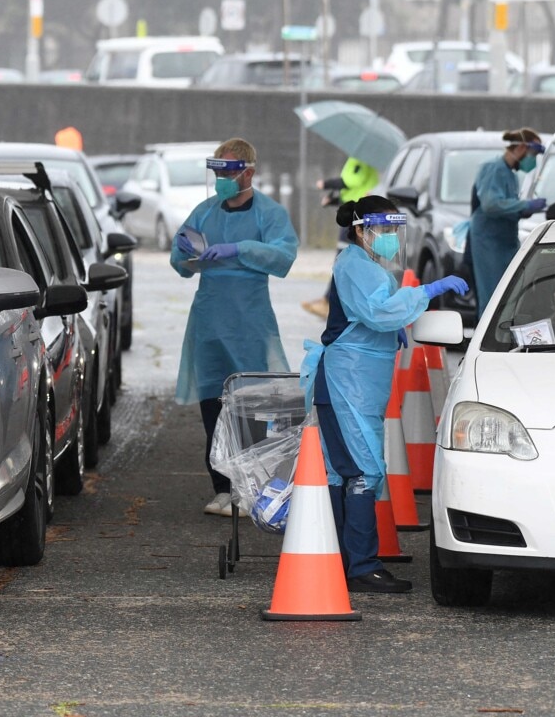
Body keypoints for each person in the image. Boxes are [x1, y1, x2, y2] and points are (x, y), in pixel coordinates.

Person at [301, 195, 469, 593]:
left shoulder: (367, 265)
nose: (391, 237)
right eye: (384, 230)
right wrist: (427, 290)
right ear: (360, 230)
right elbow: (377, 312)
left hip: (355, 385)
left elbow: (375, 314)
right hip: (346, 383)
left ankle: (344, 560)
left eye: (396, 230)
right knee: (363, 472)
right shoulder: (355, 264)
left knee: (348, 472)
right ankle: (360, 566)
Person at [170, 138, 298, 517]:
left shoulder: (269, 214)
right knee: (213, 404)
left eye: (229, 172)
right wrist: (186, 252)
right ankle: (222, 488)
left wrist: (239, 248)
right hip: (209, 319)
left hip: (249, 321)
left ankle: (251, 487)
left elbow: (284, 255)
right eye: (217, 172)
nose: (222, 179)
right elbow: (179, 259)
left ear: (248, 172)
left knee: (252, 405)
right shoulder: (205, 211)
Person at [469, 128, 547, 320]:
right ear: (522, 147)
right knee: (492, 296)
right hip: (489, 242)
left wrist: (522, 210)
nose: (533, 160)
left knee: (508, 295)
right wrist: (525, 204)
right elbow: (491, 204)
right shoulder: (493, 168)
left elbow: (506, 206)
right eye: (533, 154)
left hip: (505, 241)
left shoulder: (510, 174)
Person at [302, 157, 380, 319]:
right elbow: (355, 190)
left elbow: (352, 181)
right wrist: (334, 200)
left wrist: (325, 184)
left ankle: (331, 303)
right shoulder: (363, 160)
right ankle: (332, 302)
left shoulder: (361, 160)